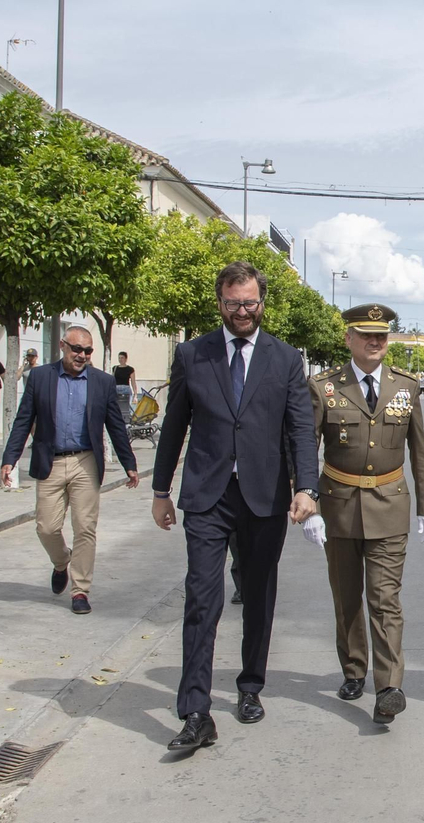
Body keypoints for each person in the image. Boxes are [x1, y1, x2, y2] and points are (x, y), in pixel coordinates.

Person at [152, 262, 320, 752]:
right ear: (219, 303)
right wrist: (162, 491)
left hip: (265, 496)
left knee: (259, 593)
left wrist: (306, 486)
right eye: (232, 304)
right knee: (202, 597)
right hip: (207, 495)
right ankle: (196, 711)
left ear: (261, 302)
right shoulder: (192, 354)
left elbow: (299, 430)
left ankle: (250, 686)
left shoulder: (285, 359)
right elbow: (174, 426)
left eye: (249, 303)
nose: (242, 312)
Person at [305, 303, 424, 725]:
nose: (376, 341)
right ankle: (353, 668)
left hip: (390, 504)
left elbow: (420, 451)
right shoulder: (323, 386)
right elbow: (305, 447)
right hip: (338, 505)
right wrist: (307, 501)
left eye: (382, 334)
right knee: (347, 599)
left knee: (384, 600)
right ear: (349, 339)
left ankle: (388, 687)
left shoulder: (406, 386)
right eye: (366, 334)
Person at [0, 325, 138, 614]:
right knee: (46, 527)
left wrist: (129, 464)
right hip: (50, 460)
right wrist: (9, 458)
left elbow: (115, 425)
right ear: (63, 346)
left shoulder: (102, 381)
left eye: (88, 351)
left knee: (85, 528)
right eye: (77, 349)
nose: (82, 355)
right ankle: (62, 562)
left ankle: (80, 591)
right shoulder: (40, 378)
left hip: (85, 460)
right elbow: (24, 420)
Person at [112, 351, 135, 418]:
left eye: (122, 358)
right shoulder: (115, 368)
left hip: (126, 388)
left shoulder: (130, 369)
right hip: (116, 388)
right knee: (116, 406)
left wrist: (135, 394)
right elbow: (112, 379)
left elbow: (133, 382)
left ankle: (127, 418)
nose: (120, 359)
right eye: (119, 358)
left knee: (127, 406)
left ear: (125, 359)